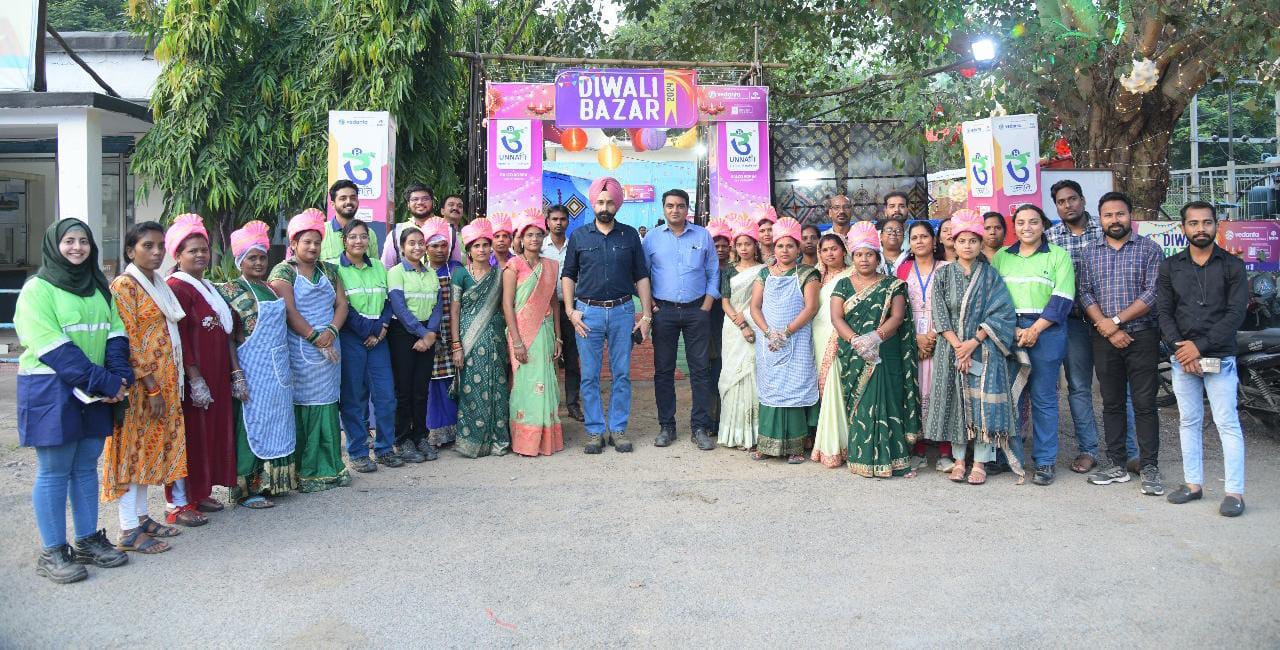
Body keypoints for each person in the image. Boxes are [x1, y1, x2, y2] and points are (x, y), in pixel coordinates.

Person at [16, 218, 131, 582]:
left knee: (85, 466)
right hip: (50, 388)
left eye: (83, 241)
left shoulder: (99, 288)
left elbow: (116, 334)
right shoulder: (37, 290)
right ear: (54, 245)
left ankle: (87, 541)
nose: (77, 247)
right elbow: (54, 348)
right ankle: (52, 552)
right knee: (54, 469)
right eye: (69, 241)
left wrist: (119, 376)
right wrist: (105, 382)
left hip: (94, 388)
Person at [1157, 201, 1249, 516]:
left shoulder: (1232, 266)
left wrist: (1200, 347)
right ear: (1183, 227)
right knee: (1189, 421)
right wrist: (1181, 349)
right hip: (1182, 357)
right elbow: (1164, 312)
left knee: (1227, 423)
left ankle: (1234, 493)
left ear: (1216, 226)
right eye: (1193, 223)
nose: (1200, 229)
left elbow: (1235, 314)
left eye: (1206, 222)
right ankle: (1193, 484)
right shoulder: (1171, 266)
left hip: (1220, 356)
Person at [923, 210, 1027, 485]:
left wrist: (973, 342)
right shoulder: (943, 275)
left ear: (981, 244)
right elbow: (939, 314)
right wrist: (959, 347)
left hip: (984, 349)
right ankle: (959, 460)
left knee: (983, 405)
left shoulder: (991, 276)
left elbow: (1002, 312)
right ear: (953, 243)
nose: (967, 246)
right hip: (950, 349)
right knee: (955, 403)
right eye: (962, 241)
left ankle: (980, 462)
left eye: (973, 241)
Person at [103, 221, 187, 553]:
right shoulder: (125, 286)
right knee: (131, 453)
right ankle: (127, 529)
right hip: (140, 387)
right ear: (130, 251)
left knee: (148, 452)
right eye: (147, 246)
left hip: (163, 383)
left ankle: (141, 517)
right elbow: (130, 340)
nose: (156, 252)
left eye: (160, 246)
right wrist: (151, 387)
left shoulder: (157, 283)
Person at [1046, 179, 1134, 474]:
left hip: (1111, 323)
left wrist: (1115, 322)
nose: (1067, 205)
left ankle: (1129, 451)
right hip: (1073, 324)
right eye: (1061, 202)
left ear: (1083, 200)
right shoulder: (1051, 238)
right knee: (1079, 388)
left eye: (1072, 199)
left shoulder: (1106, 228)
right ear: (1056, 207)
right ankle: (1088, 449)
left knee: (1119, 388)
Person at [1079, 191, 1165, 495]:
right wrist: (1107, 327)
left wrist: (1115, 321)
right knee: (1112, 402)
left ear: (1130, 216)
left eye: (1120, 214)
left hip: (1142, 335)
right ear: (1100, 219)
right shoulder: (1090, 252)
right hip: (1104, 339)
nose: (1115, 220)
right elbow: (1084, 292)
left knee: (1144, 403)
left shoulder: (1150, 249)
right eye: (1108, 215)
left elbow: (1152, 293)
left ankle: (1149, 466)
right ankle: (1116, 463)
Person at [561, 177, 653, 454]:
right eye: (600, 202)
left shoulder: (629, 236)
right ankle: (594, 431)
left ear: (618, 205)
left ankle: (618, 429)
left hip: (623, 311)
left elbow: (641, 276)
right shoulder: (579, 236)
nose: (605, 207)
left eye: (610, 202)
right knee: (589, 375)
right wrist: (570, 311)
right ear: (593, 204)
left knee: (621, 374)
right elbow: (568, 275)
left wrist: (646, 316)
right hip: (587, 313)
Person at [269, 209, 352, 492]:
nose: (313, 247)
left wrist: (331, 332)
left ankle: (330, 466)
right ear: (293, 244)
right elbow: (288, 310)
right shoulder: (283, 272)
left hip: (330, 348)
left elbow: (342, 305)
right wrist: (315, 337)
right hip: (300, 348)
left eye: (317, 242)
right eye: (307, 242)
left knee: (327, 403)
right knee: (304, 405)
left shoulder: (329, 270)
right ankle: (305, 469)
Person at [991, 204, 1075, 486]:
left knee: (1043, 397)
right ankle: (1007, 457)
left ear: (1043, 225)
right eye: (1021, 222)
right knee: (1009, 397)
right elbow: (994, 297)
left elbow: (1062, 298)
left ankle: (1045, 461)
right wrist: (1013, 328)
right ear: (1014, 227)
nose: (1027, 227)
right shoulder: (1002, 257)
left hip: (1047, 331)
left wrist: (1035, 329)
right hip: (1009, 330)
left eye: (1033, 222)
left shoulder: (1058, 256)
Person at [163, 214, 238, 523]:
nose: (200, 255)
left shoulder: (205, 286)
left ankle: (200, 492)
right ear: (177, 255)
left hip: (215, 373)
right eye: (192, 250)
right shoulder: (177, 288)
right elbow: (180, 337)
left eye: (203, 249)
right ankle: (179, 504)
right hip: (193, 378)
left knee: (208, 435)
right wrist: (194, 378)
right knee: (190, 438)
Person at [218, 221, 298, 506]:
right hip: (252, 369)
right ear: (240, 261)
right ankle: (247, 490)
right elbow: (229, 337)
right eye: (252, 258)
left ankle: (272, 484)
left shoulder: (271, 289)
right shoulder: (232, 290)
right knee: (250, 426)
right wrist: (236, 373)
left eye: (262, 257)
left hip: (277, 371)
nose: (259, 263)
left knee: (277, 424)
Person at [830, 222, 920, 477]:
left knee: (889, 402)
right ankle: (862, 459)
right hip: (854, 353)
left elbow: (898, 316)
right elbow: (837, 318)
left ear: (878, 257)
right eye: (859, 254)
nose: (864, 259)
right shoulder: (843, 285)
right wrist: (856, 341)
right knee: (862, 404)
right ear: (852, 257)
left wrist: (874, 337)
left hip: (885, 352)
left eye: (869, 254)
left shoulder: (893, 285)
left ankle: (894, 460)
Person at [644, 189, 719, 450]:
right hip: (663, 312)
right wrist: (651, 305)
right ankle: (667, 426)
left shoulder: (702, 235)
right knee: (664, 371)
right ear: (663, 208)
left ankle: (700, 427)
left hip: (697, 311)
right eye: (670, 206)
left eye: (680, 206)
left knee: (700, 370)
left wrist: (707, 305)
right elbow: (642, 275)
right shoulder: (652, 238)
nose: (675, 210)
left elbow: (713, 271)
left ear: (688, 209)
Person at [749, 217, 820, 463]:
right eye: (780, 245)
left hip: (797, 339)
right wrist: (769, 332)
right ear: (774, 248)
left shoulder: (808, 274)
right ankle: (766, 444)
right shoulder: (763, 273)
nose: (785, 250)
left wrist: (786, 332)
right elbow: (755, 307)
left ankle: (796, 447)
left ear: (798, 248)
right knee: (771, 388)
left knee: (795, 388)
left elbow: (811, 308)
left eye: (790, 245)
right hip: (769, 341)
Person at [334, 219, 401, 473]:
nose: (358, 241)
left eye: (363, 236)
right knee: (353, 398)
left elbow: (388, 302)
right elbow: (343, 307)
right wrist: (370, 331)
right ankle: (358, 452)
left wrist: (382, 327)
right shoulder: (336, 270)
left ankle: (384, 449)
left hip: (379, 340)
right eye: (353, 237)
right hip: (352, 338)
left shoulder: (378, 267)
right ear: (344, 241)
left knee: (386, 397)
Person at [503, 213, 565, 456]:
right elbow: (507, 305)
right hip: (522, 333)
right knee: (525, 385)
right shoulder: (513, 266)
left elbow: (554, 303)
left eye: (539, 235)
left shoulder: (550, 266)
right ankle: (525, 442)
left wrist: (558, 336)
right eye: (529, 235)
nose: (534, 239)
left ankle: (546, 439)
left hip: (545, 331)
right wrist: (517, 341)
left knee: (546, 383)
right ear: (520, 238)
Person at [450, 218, 511, 458]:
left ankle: (498, 440)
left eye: (486, 245)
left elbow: (505, 306)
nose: (482, 250)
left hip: (495, 338)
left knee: (497, 388)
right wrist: (456, 345)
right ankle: (472, 442)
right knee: (471, 389)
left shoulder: (500, 274)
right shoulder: (460, 274)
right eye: (477, 246)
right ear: (469, 250)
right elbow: (455, 311)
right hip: (469, 340)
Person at [896, 221, 954, 471]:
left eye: (924, 236)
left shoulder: (947, 268)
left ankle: (945, 452)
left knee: (943, 390)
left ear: (934, 241)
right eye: (914, 237)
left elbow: (952, 306)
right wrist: (916, 338)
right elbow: (896, 307)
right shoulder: (902, 270)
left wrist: (932, 334)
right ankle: (917, 449)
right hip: (911, 337)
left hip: (942, 335)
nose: (919, 241)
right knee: (915, 391)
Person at [386, 224, 441, 463]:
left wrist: (430, 333)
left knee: (421, 390)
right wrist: (422, 333)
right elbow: (399, 307)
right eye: (412, 243)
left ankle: (420, 436)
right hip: (403, 333)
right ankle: (402, 439)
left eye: (421, 243)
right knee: (404, 390)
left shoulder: (431, 274)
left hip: (427, 333)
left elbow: (438, 306)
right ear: (402, 247)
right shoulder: (396, 272)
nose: (417, 247)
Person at [717, 217, 765, 450]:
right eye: (740, 244)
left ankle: (754, 433)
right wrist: (740, 322)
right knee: (733, 374)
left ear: (756, 245)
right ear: (734, 247)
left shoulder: (764, 271)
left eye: (748, 243)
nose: (744, 248)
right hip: (733, 327)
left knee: (754, 373)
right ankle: (734, 433)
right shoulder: (728, 271)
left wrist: (749, 322)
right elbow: (725, 302)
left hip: (757, 323)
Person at [809, 233, 856, 467]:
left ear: (844, 251)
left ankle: (838, 444)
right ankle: (823, 440)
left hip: (840, 335)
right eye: (825, 250)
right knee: (820, 388)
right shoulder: (816, 276)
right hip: (817, 336)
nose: (830, 253)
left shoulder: (853, 275)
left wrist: (842, 336)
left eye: (834, 249)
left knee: (836, 387)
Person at [424, 218, 462, 449]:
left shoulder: (456, 269)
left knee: (452, 381)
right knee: (432, 384)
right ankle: (434, 431)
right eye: (434, 246)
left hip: (454, 333)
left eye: (443, 245)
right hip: (429, 334)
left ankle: (454, 431)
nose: (440, 250)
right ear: (426, 248)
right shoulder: (421, 271)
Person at [542, 205, 582, 421]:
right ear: (547, 222)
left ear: (568, 221)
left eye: (562, 219)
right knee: (547, 358)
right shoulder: (539, 246)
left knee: (572, 358)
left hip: (571, 308)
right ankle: (548, 405)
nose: (558, 223)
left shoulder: (575, 246)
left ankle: (573, 404)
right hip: (544, 310)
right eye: (554, 219)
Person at [706, 218, 734, 434]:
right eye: (717, 245)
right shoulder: (705, 270)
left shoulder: (734, 270)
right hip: (710, 327)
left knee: (729, 372)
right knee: (712, 374)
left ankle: (727, 420)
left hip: (732, 327)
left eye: (725, 245)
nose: (721, 249)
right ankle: (711, 422)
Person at [321, 180, 378, 264]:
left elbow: (374, 266)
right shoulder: (321, 231)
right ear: (333, 204)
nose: (348, 202)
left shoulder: (369, 233)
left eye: (353, 198)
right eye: (343, 198)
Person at [382, 183, 435, 268]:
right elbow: (386, 267)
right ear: (408, 204)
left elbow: (456, 266)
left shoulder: (446, 229)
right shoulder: (397, 232)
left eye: (425, 199)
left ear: (432, 202)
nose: (420, 202)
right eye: (415, 199)